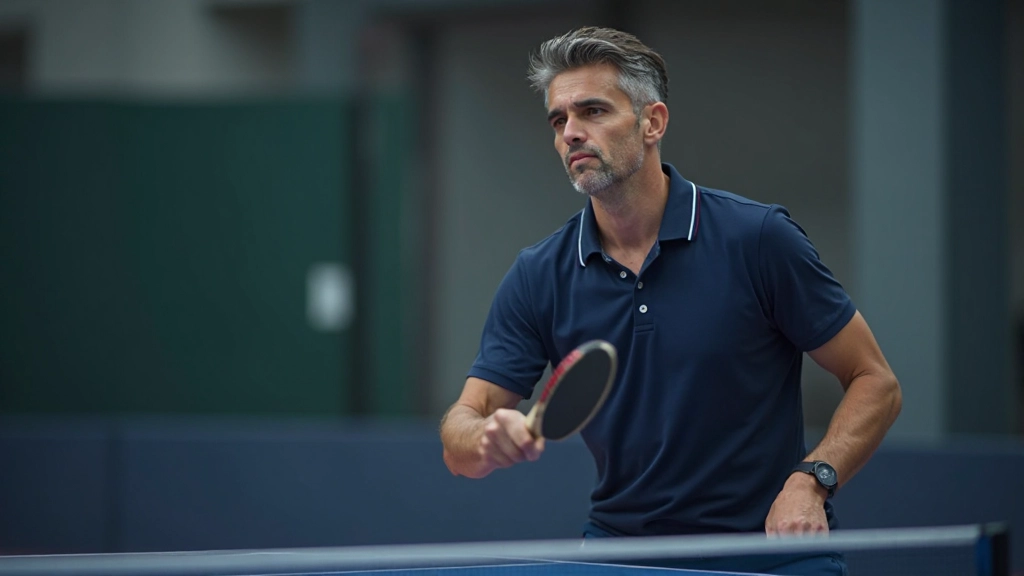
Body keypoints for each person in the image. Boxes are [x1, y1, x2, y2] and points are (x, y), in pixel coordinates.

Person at [438, 26, 902, 576]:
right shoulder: (540, 274)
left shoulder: (758, 239)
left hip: (771, 551)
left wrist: (812, 480)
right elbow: (460, 435)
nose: (571, 133)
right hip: (624, 555)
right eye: (559, 119)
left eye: (593, 111)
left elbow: (876, 382)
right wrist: (485, 438)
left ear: (652, 122)